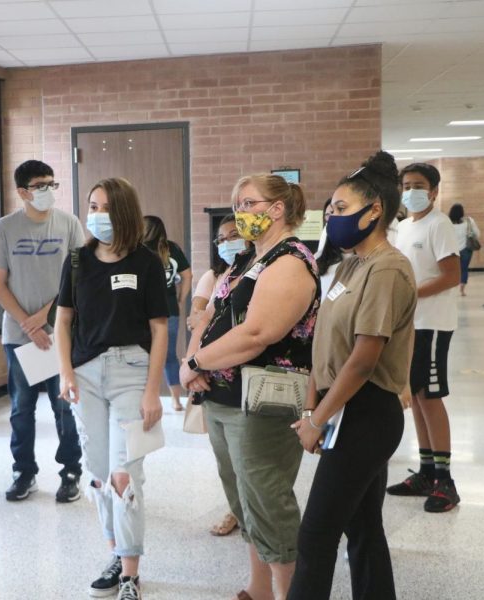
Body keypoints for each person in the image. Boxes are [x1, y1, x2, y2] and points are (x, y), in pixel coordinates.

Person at [181, 174, 318, 600]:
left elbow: (258, 333)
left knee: (267, 500)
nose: (241, 213)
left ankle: (287, 593)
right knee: (244, 500)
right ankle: (258, 591)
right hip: (222, 396)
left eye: (249, 203)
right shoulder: (245, 260)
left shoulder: (291, 261)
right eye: (237, 205)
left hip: (261, 403)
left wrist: (197, 361)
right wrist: (191, 364)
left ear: (278, 209)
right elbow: (206, 317)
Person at [288, 151, 416, 600]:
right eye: (330, 211)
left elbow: (363, 358)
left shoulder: (388, 268)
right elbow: (323, 342)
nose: (332, 217)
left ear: (375, 210)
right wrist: (310, 406)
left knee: (316, 536)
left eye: (340, 209)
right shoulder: (349, 264)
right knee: (363, 528)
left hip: (365, 414)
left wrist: (318, 419)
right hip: (340, 406)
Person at [55, 178, 168, 600]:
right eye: (92, 205)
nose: (97, 214)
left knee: (126, 475)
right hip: (84, 373)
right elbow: (63, 320)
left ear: (122, 211)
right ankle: (115, 557)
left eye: (104, 206)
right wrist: (65, 372)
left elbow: (159, 330)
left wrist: (152, 390)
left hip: (131, 371)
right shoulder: (78, 260)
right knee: (100, 474)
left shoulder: (146, 262)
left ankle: (130, 576)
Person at [0, 160, 86, 503]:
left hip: (60, 333)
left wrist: (44, 317)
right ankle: (24, 472)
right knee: (20, 408)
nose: (48, 190)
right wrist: (28, 326)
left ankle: (71, 471)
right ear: (22, 192)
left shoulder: (69, 224)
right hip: (19, 338)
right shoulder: (5, 228)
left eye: (51, 183)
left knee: (65, 407)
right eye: (40, 184)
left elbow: (78, 278)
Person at [390, 162, 462, 513]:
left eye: (417, 185)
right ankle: (426, 471)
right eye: (406, 185)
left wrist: (411, 294)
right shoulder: (403, 226)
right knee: (417, 397)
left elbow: (451, 276)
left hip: (433, 324)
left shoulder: (440, 223)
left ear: (433, 191)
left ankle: (446, 482)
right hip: (409, 324)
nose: (410, 191)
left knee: (430, 397)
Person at [189, 214, 250, 538]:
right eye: (221, 239)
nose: (227, 243)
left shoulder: (264, 269)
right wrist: (191, 365)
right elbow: (198, 319)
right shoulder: (220, 276)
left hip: (246, 387)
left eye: (233, 235)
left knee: (250, 469)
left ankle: (256, 531)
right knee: (227, 466)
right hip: (211, 381)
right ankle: (238, 513)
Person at [143, 215, 192, 412]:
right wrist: (180, 299)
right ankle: (176, 401)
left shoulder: (137, 249)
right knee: (169, 356)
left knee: (141, 356)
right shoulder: (172, 248)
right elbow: (187, 275)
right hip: (168, 309)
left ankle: (145, 398)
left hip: (141, 312)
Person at [448, 203, 480, 296]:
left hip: (451, 249)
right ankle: (462, 290)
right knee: (464, 269)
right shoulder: (469, 221)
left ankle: (451, 288)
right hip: (466, 249)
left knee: (452, 269)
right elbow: (477, 234)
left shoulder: (447, 222)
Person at [316, 198, 345, 301]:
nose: (331, 218)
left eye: (339, 210)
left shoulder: (358, 258)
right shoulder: (318, 257)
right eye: (328, 214)